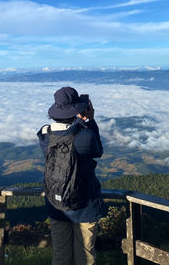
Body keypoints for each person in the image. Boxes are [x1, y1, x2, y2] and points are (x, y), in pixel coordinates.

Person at [37, 87, 105, 265]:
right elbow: (98, 150)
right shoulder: (85, 135)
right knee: (86, 257)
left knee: (60, 256)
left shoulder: (45, 135)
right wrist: (90, 121)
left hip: (56, 204)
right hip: (85, 205)